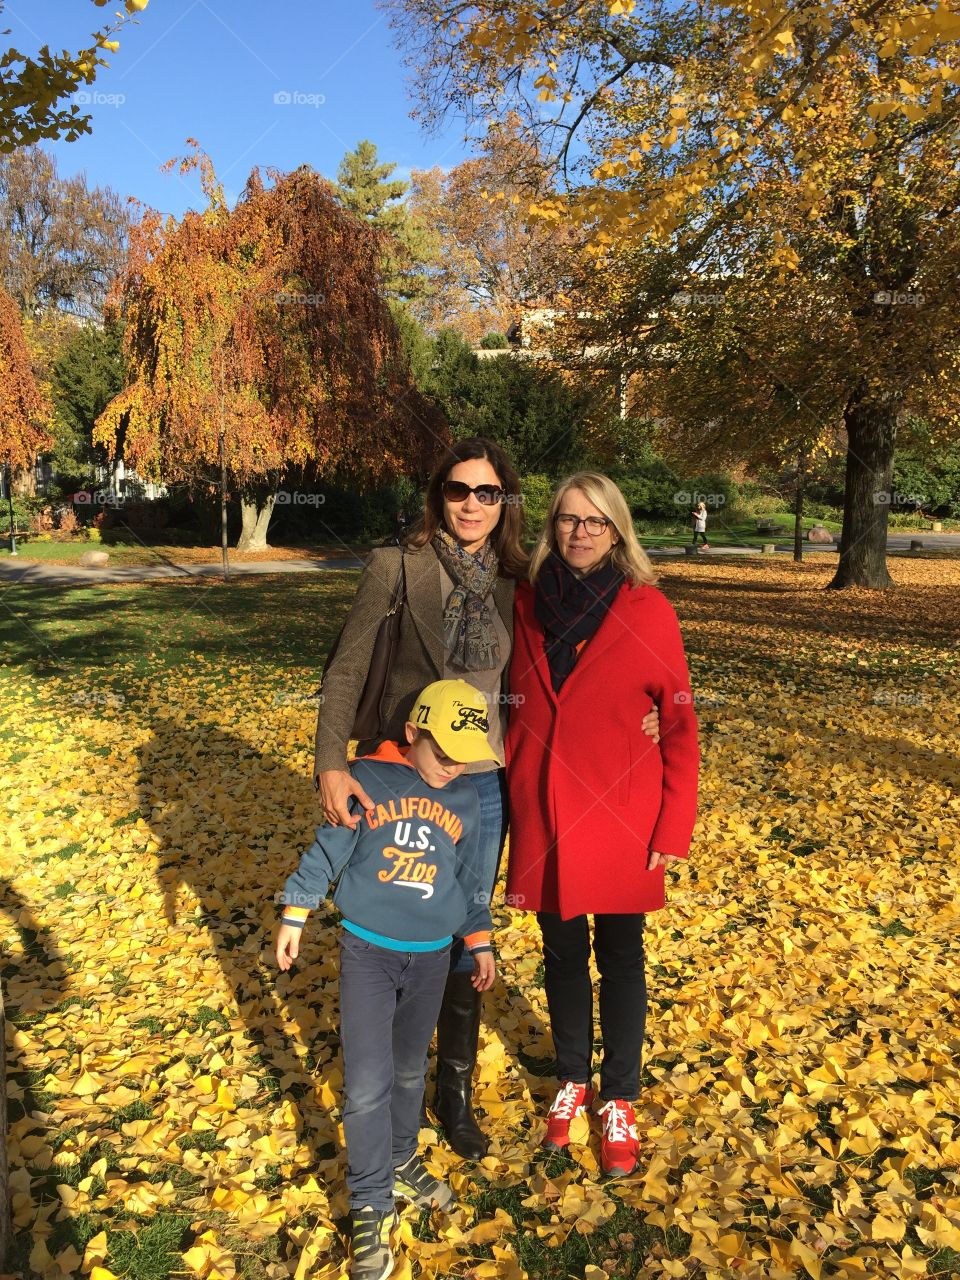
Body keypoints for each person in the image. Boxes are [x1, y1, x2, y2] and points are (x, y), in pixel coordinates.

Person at [314, 437, 660, 1159]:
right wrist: (329, 764)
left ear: (506, 501)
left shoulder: (518, 580)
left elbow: (573, 663)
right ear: (438, 494)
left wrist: (647, 715)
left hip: (490, 786)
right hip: (405, 777)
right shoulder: (395, 567)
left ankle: (455, 1092)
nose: (472, 504)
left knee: (466, 928)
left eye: (488, 493)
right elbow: (345, 670)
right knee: (407, 925)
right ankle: (389, 1076)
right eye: (459, 490)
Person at [505, 472, 699, 1178]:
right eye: (567, 519)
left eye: (596, 522)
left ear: (618, 531)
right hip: (544, 814)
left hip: (623, 815)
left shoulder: (647, 610)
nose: (580, 532)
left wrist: (671, 829)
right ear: (551, 526)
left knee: (620, 958)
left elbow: (677, 720)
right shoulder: (525, 603)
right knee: (559, 956)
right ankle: (571, 1081)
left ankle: (618, 1095)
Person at [279, 679, 499, 1280]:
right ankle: (371, 1203)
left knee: (408, 1071)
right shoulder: (366, 781)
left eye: (465, 755)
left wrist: (477, 939)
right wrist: (297, 910)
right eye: (444, 751)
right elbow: (328, 850)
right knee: (369, 1084)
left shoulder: (464, 802)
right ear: (412, 732)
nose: (455, 766)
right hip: (368, 955)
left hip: (431, 958)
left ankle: (403, 1158)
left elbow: (467, 881)